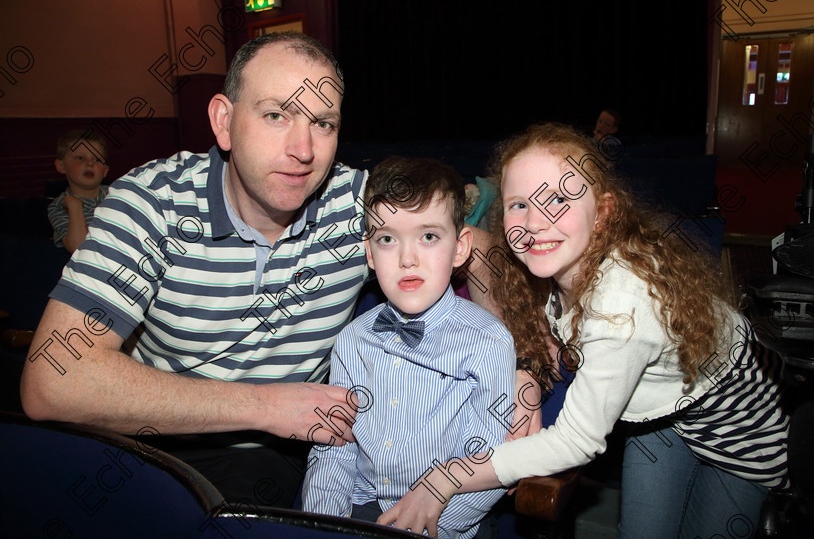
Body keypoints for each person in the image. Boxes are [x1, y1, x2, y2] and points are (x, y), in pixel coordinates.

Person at [21, 32, 515, 510]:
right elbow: (52, 381)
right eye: (277, 114)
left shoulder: (355, 204)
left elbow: (479, 243)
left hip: (275, 460)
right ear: (223, 121)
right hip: (159, 442)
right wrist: (267, 406)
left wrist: (519, 371)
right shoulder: (154, 203)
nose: (303, 150)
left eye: (323, 123)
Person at [378, 123, 790, 538]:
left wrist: (447, 478)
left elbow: (576, 442)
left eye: (559, 198)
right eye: (519, 204)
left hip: (739, 433)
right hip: (665, 417)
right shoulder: (552, 266)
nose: (536, 221)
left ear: (604, 213)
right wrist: (533, 368)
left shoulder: (623, 304)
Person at [302, 156, 515, 538]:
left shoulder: (489, 342)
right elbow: (334, 449)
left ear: (461, 247)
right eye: (387, 239)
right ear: (369, 253)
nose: (407, 258)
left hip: (445, 519)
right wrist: (323, 526)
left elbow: (489, 462)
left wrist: (425, 527)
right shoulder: (353, 339)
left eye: (428, 236)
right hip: (357, 509)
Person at [47, 129, 109, 253]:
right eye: (80, 158)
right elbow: (79, 248)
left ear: (105, 171)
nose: (90, 164)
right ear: (61, 166)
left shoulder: (117, 194)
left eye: (97, 159)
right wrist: (74, 206)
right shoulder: (59, 206)